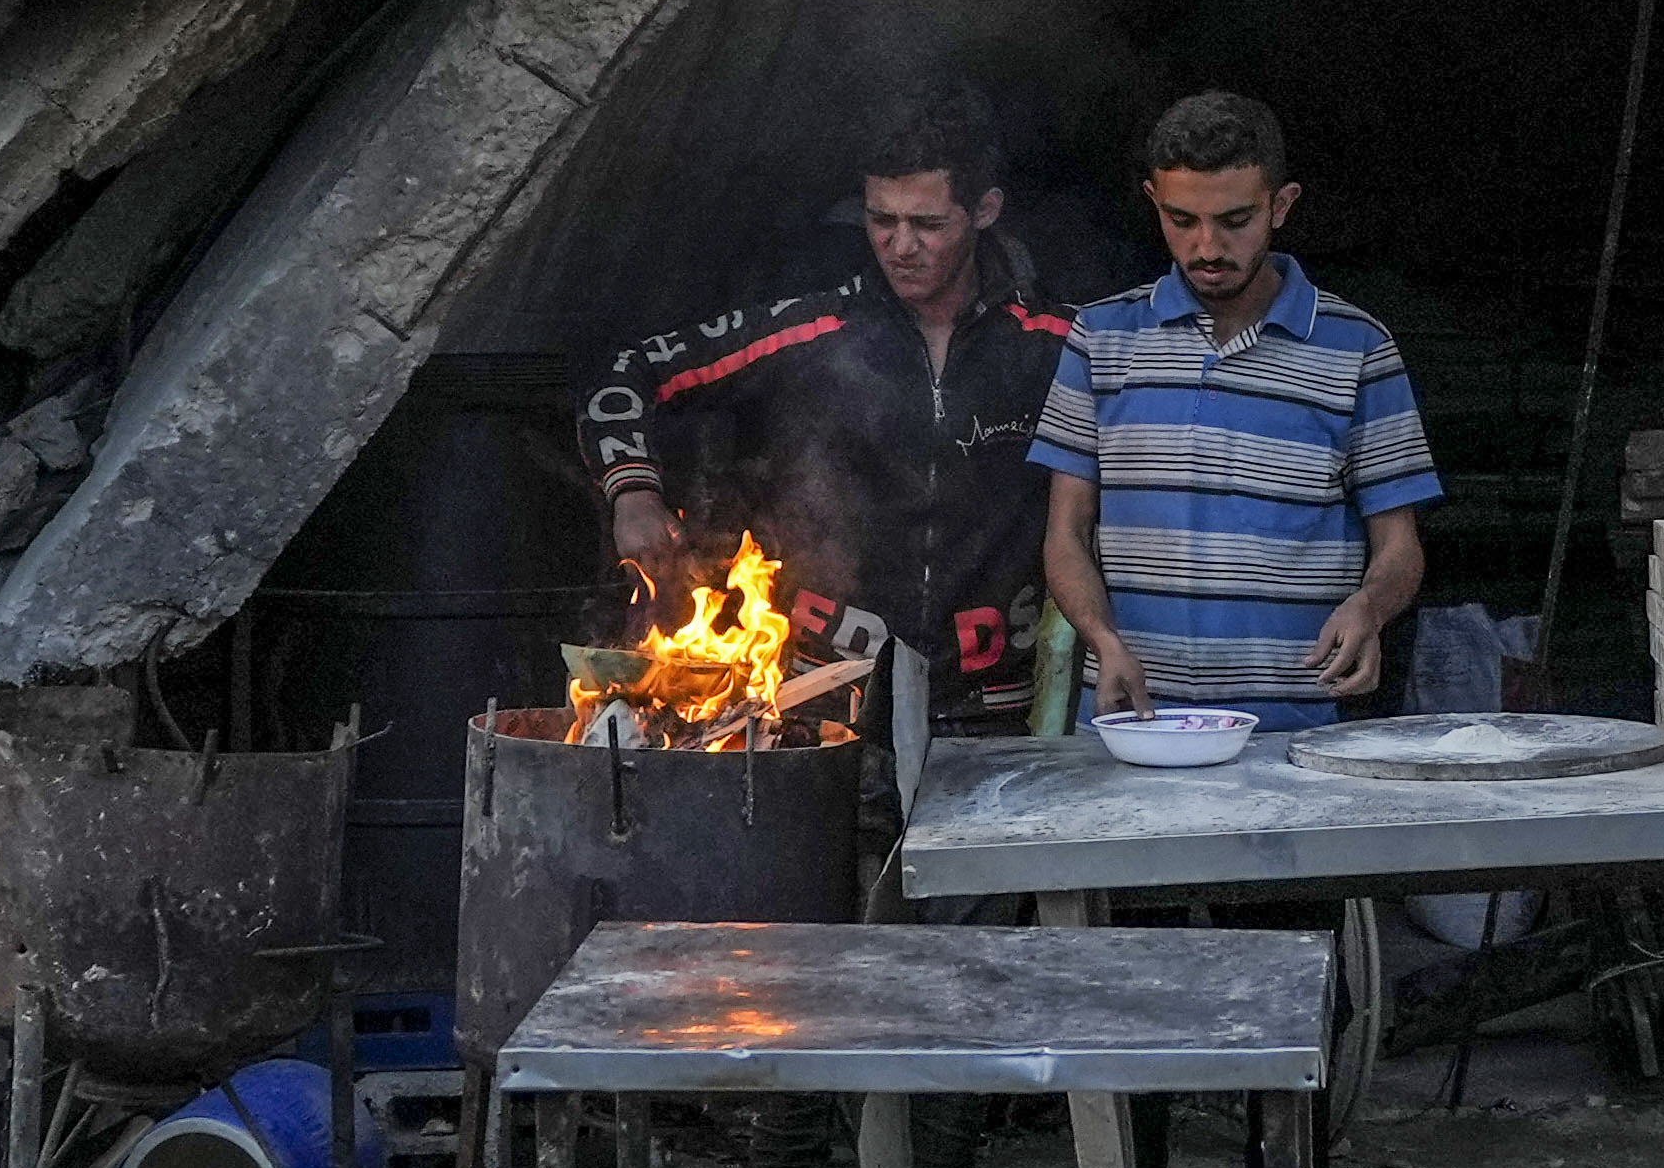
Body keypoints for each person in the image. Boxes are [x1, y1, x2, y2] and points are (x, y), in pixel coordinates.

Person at [581, 105, 1071, 711]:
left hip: (993, 702)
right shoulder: (811, 331)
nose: (901, 246)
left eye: (928, 223)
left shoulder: (1057, 344)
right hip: (823, 697)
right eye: (882, 220)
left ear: (985, 211)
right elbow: (626, 370)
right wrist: (634, 492)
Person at [1033, 89, 1438, 722]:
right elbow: (1066, 533)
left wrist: (1370, 607)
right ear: (1153, 203)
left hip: (1296, 726)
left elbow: (1399, 545)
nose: (1207, 248)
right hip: (1132, 724)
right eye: (1182, 220)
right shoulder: (1099, 338)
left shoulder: (1360, 348)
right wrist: (1102, 638)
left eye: (1235, 220)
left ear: (1282, 206)